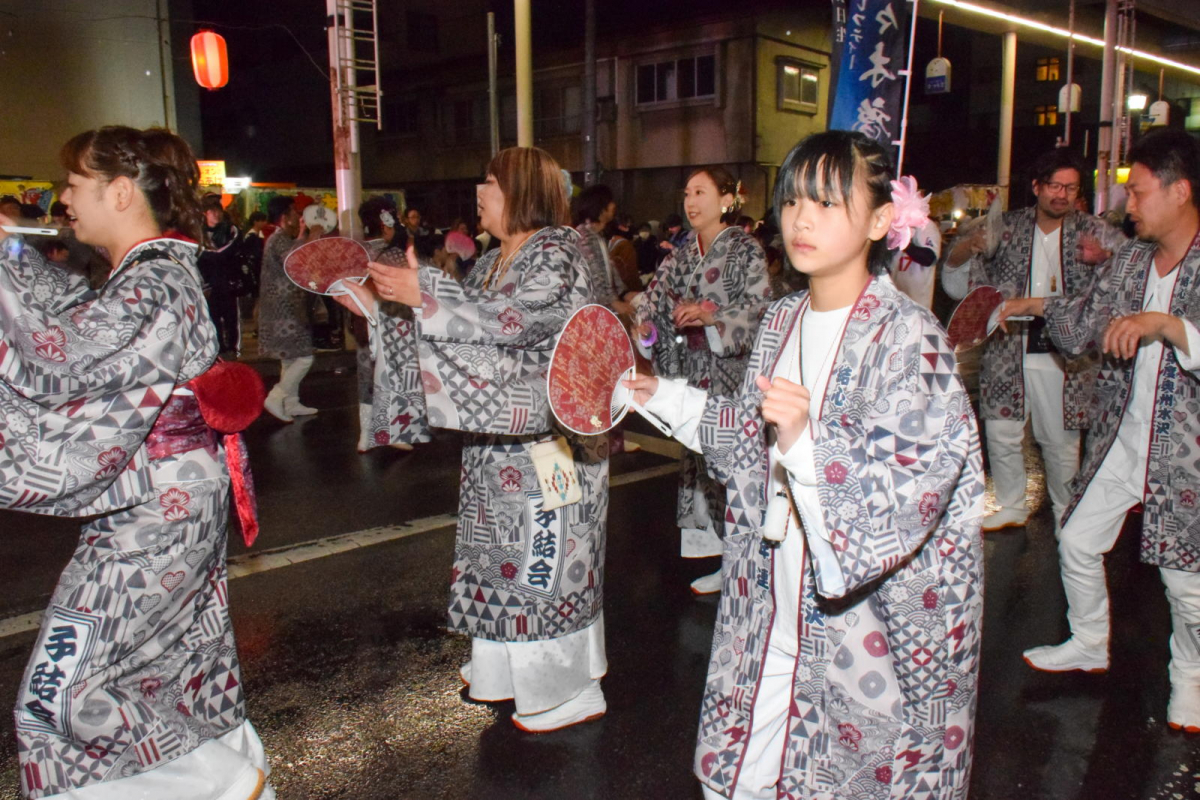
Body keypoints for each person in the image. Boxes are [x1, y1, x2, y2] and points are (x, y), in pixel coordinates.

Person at [625, 129, 983, 800]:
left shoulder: (911, 341)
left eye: (828, 202)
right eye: (793, 201)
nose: (802, 219)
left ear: (880, 220)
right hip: (772, 605)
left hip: (863, 630)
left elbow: (909, 498)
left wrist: (805, 444)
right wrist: (661, 397)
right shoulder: (781, 319)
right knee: (737, 778)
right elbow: (745, 437)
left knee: (843, 775)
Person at [0, 125, 273, 799]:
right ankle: (222, 775)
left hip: (156, 514)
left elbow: (63, 353)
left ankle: (215, 781)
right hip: (170, 502)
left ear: (120, 193)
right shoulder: (155, 275)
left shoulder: (152, 284)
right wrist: (11, 253)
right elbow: (70, 314)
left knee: (57, 698)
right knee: (173, 663)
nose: (64, 199)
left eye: (75, 185)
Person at [338, 146, 610, 733]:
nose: (480, 191)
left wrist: (426, 294)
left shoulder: (560, 250)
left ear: (522, 191)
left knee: (545, 563)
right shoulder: (491, 261)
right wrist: (376, 306)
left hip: (549, 444)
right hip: (497, 444)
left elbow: (514, 321)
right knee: (500, 562)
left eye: (490, 181)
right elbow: (457, 336)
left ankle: (566, 691)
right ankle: (504, 674)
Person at [997, 128, 1200, 729]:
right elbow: (1082, 320)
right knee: (1079, 539)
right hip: (1120, 439)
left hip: (1184, 458)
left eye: (1137, 193)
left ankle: (1189, 677)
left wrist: (1166, 324)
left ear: (1181, 191)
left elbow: (1171, 332)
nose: (1126, 206)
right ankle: (1088, 642)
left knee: (1185, 585)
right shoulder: (1132, 260)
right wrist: (1025, 306)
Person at [942, 149, 1125, 532]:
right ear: (1037, 186)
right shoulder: (1006, 227)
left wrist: (1105, 257)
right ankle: (1011, 503)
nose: (1062, 194)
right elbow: (963, 279)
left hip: (1065, 349)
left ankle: (1067, 511)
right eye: (1055, 185)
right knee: (1001, 429)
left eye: (1071, 187)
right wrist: (964, 249)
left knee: (1059, 438)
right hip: (1009, 345)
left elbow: (1129, 268)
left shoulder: (1093, 230)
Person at [633, 166, 770, 595]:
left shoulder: (745, 249)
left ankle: (746, 562)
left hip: (731, 376)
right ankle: (721, 556)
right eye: (687, 192)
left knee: (732, 464)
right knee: (701, 463)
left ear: (727, 199)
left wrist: (712, 317)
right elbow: (651, 304)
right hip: (692, 374)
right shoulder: (679, 255)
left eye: (701, 192)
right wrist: (648, 331)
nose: (690, 201)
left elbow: (761, 308)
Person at [354, 196, 430, 453]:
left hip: (363, 321)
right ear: (386, 223)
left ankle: (366, 434)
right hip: (394, 325)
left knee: (367, 374)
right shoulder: (394, 254)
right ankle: (394, 430)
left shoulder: (359, 251)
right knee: (397, 376)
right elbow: (416, 281)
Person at [257, 195, 322, 422]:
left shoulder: (280, 238)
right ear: (285, 216)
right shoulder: (279, 239)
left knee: (289, 359)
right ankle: (276, 397)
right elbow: (294, 261)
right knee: (304, 357)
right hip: (284, 309)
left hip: (283, 307)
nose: (298, 216)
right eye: (294, 212)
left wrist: (304, 235)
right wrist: (311, 236)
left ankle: (290, 403)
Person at [198, 196, 244, 356]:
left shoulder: (230, 230)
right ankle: (218, 348)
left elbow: (227, 252)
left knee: (231, 318)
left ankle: (233, 349)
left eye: (218, 210)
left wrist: (208, 254)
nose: (215, 214)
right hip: (208, 284)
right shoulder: (198, 233)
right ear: (205, 213)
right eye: (211, 211)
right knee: (213, 317)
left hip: (228, 282)